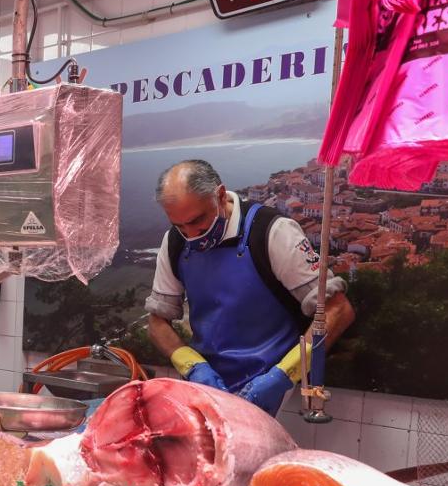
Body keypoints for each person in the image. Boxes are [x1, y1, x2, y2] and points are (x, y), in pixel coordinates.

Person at [145, 160, 356, 415]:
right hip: (209, 386)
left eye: (198, 220)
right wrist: (192, 366)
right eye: (180, 226)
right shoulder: (175, 243)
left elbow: (338, 310)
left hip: (275, 384)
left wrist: (284, 375)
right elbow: (157, 323)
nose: (192, 235)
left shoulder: (272, 232)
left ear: (220, 195)